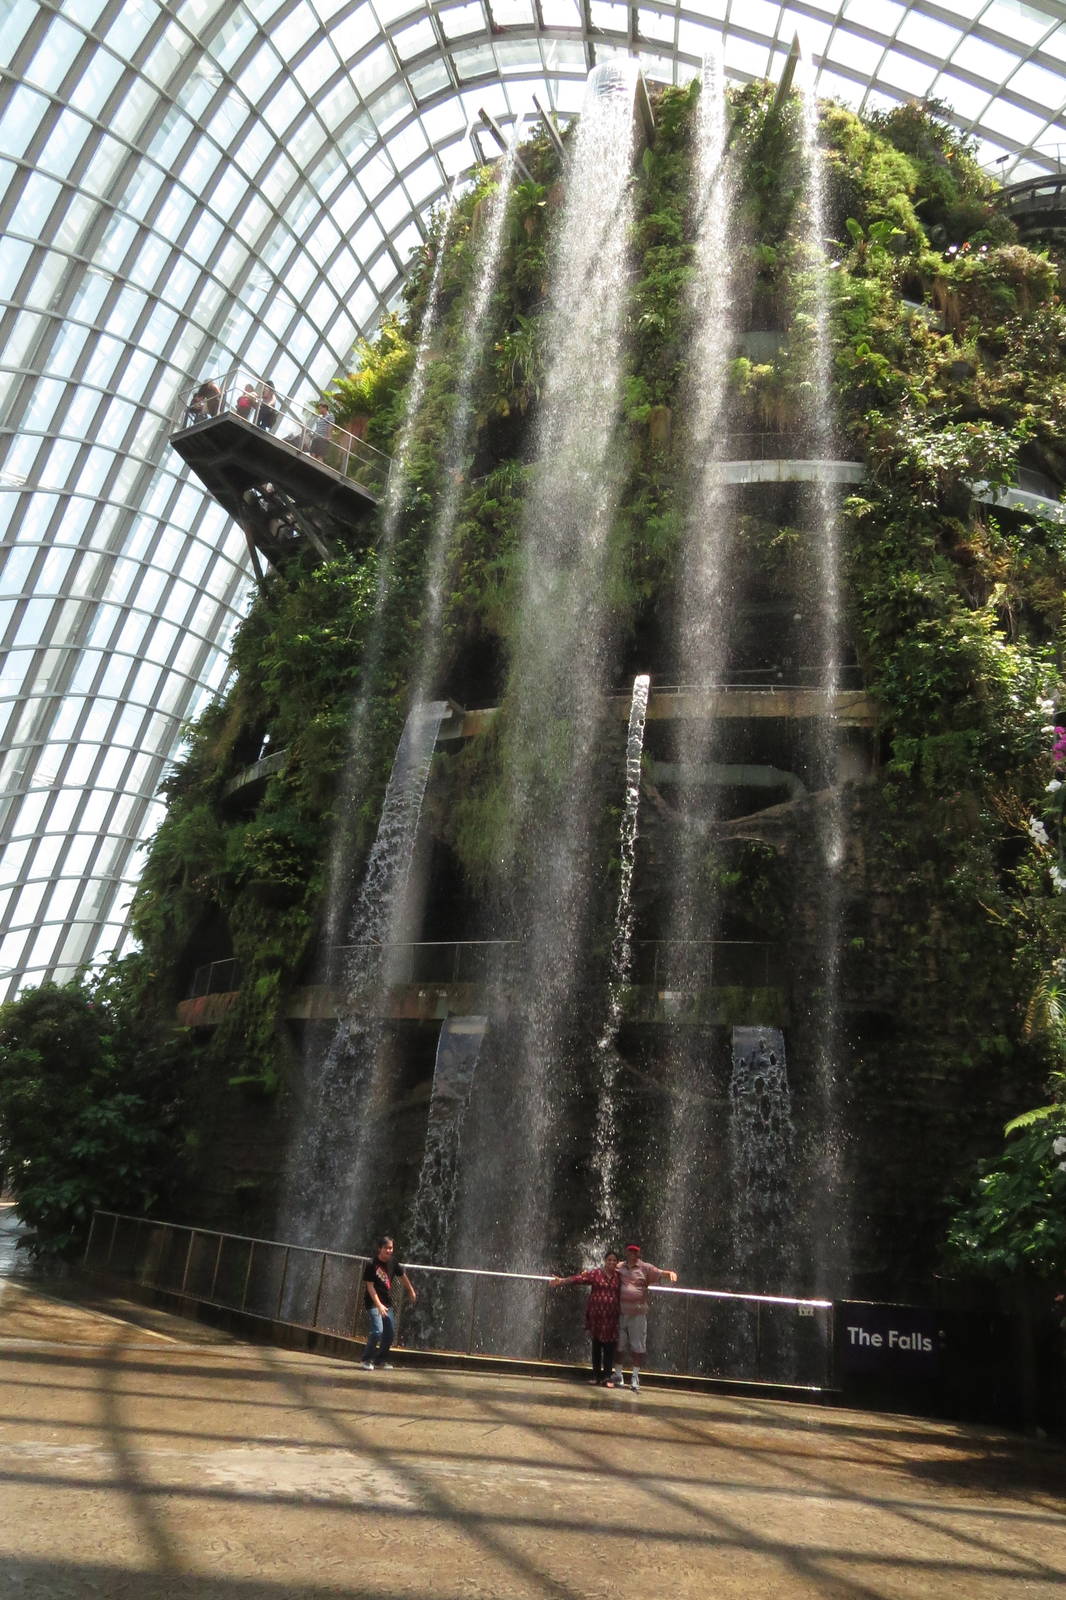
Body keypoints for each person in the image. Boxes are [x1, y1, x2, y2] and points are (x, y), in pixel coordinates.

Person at [612, 1242, 677, 1394]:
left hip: (638, 1314)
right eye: (630, 1252)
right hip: (621, 1313)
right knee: (619, 1345)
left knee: (637, 1346)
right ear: (626, 1252)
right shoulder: (619, 1266)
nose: (632, 1255)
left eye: (635, 1252)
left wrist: (670, 1274)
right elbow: (605, 1270)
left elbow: (660, 1272)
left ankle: (635, 1377)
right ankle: (618, 1374)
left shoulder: (645, 1268)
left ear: (638, 1254)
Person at [550, 1250, 621, 1386]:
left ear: (617, 1263)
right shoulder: (596, 1274)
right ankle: (597, 1376)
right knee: (596, 1347)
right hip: (597, 1317)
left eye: (614, 1260)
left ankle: (607, 1377)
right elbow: (579, 1279)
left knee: (609, 1349)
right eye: (609, 1260)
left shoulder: (620, 1277)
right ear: (605, 1261)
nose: (611, 1262)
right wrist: (562, 1280)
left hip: (611, 1319)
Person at [360, 1235, 416, 1371]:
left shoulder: (393, 1263)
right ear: (380, 1249)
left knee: (390, 1333)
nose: (389, 1251)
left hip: (387, 1303)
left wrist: (411, 1291)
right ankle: (366, 1360)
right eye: (386, 1248)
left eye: (391, 1248)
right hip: (373, 1303)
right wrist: (378, 1305)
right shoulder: (371, 1264)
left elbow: (403, 1277)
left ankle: (380, 1360)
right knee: (377, 1330)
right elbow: (370, 1287)